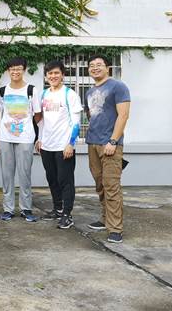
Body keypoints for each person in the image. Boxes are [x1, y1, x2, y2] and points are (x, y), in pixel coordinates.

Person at [85, 55, 130, 244]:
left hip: (110, 144)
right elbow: (91, 116)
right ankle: (105, 219)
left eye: (99, 65)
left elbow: (123, 115)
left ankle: (115, 228)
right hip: (93, 143)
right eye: (91, 65)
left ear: (107, 67)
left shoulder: (118, 86)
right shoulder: (89, 91)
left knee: (111, 186)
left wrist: (113, 141)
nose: (95, 68)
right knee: (100, 185)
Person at [36, 61, 83, 229]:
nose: (53, 76)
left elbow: (76, 122)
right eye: (50, 73)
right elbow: (41, 121)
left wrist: (71, 144)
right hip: (47, 146)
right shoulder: (43, 94)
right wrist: (40, 139)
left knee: (65, 181)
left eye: (56, 73)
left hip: (63, 147)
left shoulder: (70, 94)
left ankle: (67, 215)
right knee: (52, 179)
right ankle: (57, 209)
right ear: (46, 76)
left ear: (62, 74)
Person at [0, 57, 42, 222]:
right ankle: (8, 209)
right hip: (5, 137)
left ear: (24, 70)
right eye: (12, 69)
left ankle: (26, 208)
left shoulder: (31, 90)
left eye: (18, 69)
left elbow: (38, 115)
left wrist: (37, 135)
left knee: (25, 174)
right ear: (8, 71)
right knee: (7, 175)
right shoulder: (2, 91)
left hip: (25, 137)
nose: (15, 72)